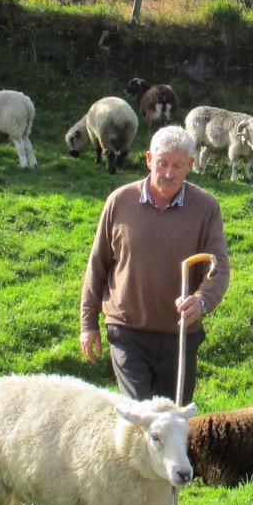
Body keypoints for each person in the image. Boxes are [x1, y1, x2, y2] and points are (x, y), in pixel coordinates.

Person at [80, 124, 230, 406]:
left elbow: (218, 266)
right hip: (127, 330)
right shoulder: (120, 201)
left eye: (178, 165)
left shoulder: (206, 208)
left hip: (181, 333)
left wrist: (202, 301)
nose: (169, 173)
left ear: (191, 165)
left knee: (174, 418)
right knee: (145, 419)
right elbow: (98, 264)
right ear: (149, 160)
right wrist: (89, 324)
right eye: (162, 163)